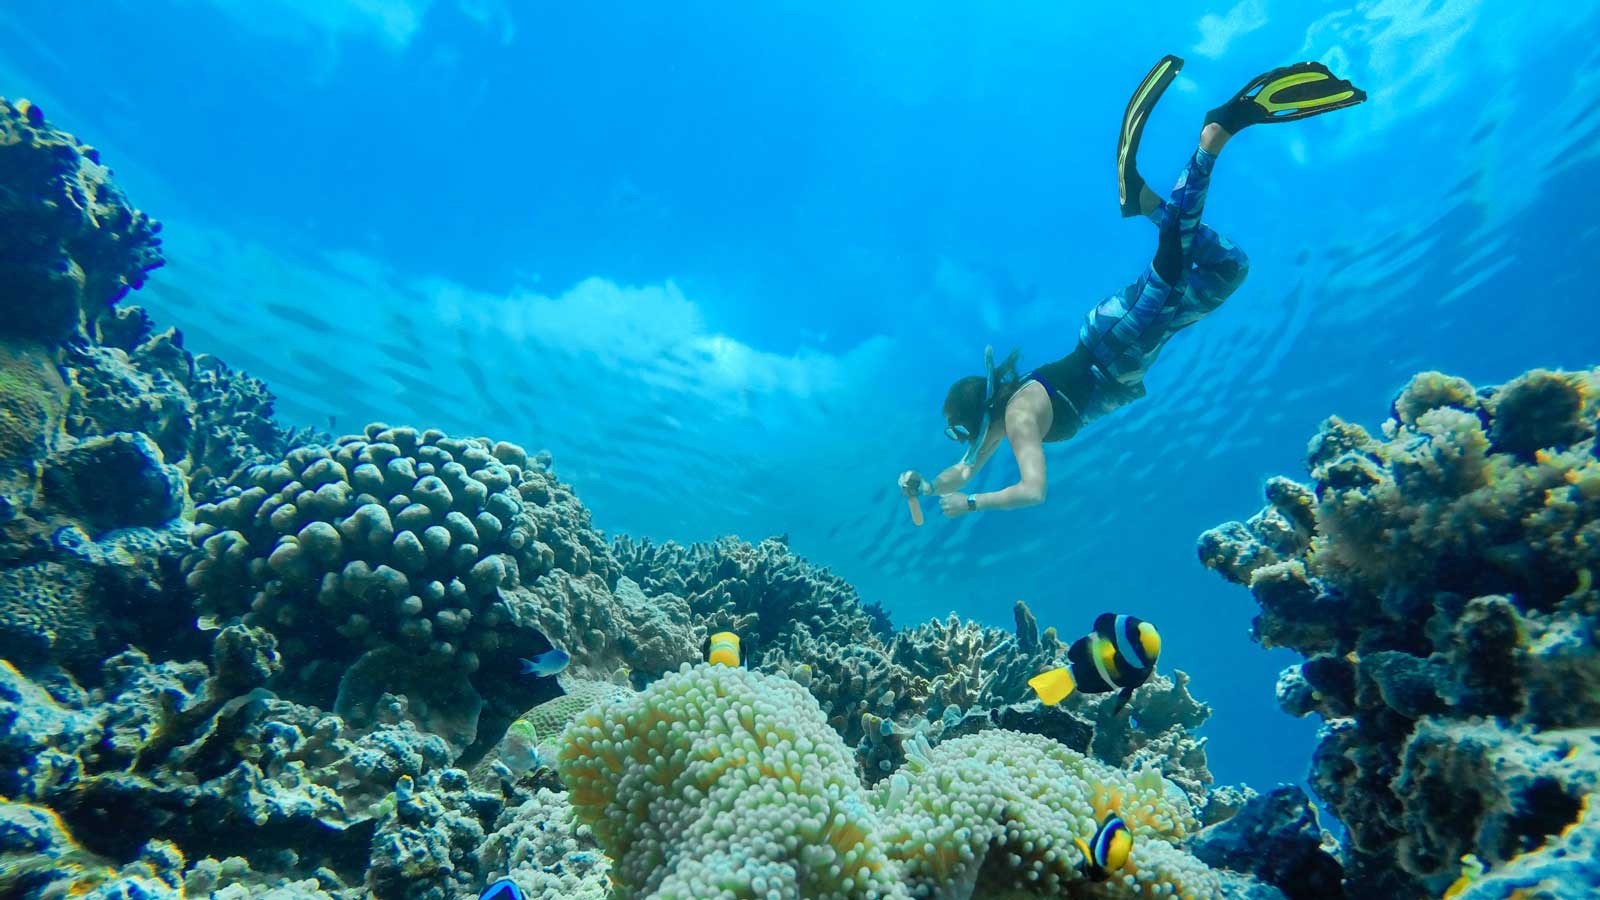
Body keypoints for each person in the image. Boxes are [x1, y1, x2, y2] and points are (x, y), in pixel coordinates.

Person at [899, 56, 1366, 517]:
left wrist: (975, 503)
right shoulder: (999, 422)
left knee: (1174, 254)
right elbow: (961, 472)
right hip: (1114, 341)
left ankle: (1213, 138)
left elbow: (1033, 490)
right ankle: (1140, 198)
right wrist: (923, 486)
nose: (967, 443)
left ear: (977, 417)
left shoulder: (1018, 421)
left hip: (1116, 349)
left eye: (962, 431)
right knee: (1228, 268)